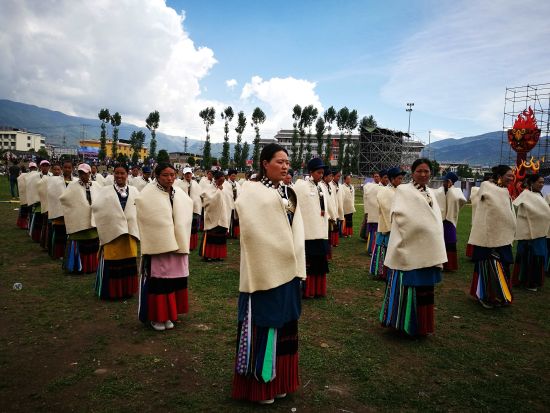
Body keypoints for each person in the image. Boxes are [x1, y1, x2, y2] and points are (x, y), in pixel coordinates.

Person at [231, 143, 306, 404]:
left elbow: (296, 231)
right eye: (279, 161)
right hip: (265, 270)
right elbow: (253, 233)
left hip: (289, 269)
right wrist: (276, 251)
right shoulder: (251, 192)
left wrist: (297, 262)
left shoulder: (288, 192)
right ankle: (261, 383)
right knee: (265, 322)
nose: (285, 166)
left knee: (285, 324)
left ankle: (281, 380)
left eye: (287, 161)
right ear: (265, 163)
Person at [380, 159, 447, 336]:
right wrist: (419, 229)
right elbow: (401, 216)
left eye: (426, 171)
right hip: (408, 246)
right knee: (409, 286)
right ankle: (404, 324)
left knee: (425, 288)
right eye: (419, 171)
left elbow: (434, 218)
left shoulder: (431, 193)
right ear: (412, 172)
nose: (423, 174)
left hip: (428, 249)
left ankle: (423, 326)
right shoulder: (403, 190)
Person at [136, 163, 193, 331]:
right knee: (160, 282)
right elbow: (147, 214)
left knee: (174, 281)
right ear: (157, 175)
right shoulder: (148, 193)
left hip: (178, 244)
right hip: (160, 246)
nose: (170, 178)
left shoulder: (178, 192)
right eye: (165, 175)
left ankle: (169, 314)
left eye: (172, 175)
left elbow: (187, 208)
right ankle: (158, 316)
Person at [468, 165, 516, 308]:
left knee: (504, 266)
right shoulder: (486, 186)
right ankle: (487, 296)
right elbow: (481, 199)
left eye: (512, 175)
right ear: (500, 176)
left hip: (503, 236)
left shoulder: (504, 190)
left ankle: (501, 296)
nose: (512, 178)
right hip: (489, 237)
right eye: (509, 175)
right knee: (488, 267)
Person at [92, 164, 140, 300]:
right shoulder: (105, 191)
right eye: (117, 173)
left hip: (129, 234)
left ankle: (127, 290)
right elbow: (97, 208)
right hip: (112, 233)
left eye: (122, 173)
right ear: (113, 174)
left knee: (128, 263)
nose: (119, 176)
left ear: (127, 174)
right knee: (113, 263)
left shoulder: (135, 191)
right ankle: (112, 292)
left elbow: (140, 208)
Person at [294, 158, 330, 298]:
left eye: (322, 172)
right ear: (310, 172)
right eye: (318, 172)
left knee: (320, 263)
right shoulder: (301, 187)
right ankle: (307, 290)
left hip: (320, 230)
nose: (321, 175)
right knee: (309, 263)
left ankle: (319, 290)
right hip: (308, 232)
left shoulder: (320, 186)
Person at [511, 174, 550, 291]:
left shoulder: (539, 196)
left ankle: (533, 281)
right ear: (531, 183)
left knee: (537, 256)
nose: (542, 184)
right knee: (526, 256)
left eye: (543, 182)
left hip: (540, 233)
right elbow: (518, 208)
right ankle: (524, 281)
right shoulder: (526, 195)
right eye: (539, 182)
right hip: (527, 234)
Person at [59, 163, 100, 274]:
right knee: (81, 244)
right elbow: (64, 198)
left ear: (90, 173)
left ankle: (92, 266)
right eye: (81, 173)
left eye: (85, 173)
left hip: (93, 221)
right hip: (79, 221)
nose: (83, 175)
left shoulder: (96, 185)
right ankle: (78, 267)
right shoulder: (73, 185)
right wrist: (77, 207)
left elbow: (101, 199)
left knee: (93, 243)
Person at [370, 167, 406, 279]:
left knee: (391, 250)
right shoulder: (385, 191)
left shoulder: (398, 191)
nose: (401, 181)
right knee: (383, 249)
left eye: (401, 178)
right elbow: (386, 210)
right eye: (399, 178)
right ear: (392, 179)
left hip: (396, 226)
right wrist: (390, 226)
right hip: (387, 227)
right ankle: (381, 272)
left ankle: (389, 271)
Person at [434, 172, 467, 271]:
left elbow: (461, 200)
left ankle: (450, 265)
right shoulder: (440, 191)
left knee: (450, 242)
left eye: (446, 181)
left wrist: (450, 190)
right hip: (440, 220)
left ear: (450, 182)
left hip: (450, 220)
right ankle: (439, 263)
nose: (443, 182)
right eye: (444, 180)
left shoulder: (456, 191)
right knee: (440, 242)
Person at [47, 160, 77, 259]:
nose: (67, 169)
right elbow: (52, 195)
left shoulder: (76, 181)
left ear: (73, 169)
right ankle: (58, 253)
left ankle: (68, 253)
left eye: (69, 167)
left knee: (69, 233)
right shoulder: (55, 181)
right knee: (60, 233)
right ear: (62, 168)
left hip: (72, 212)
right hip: (59, 212)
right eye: (65, 167)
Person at [199, 170, 232, 261]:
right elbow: (206, 199)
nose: (222, 182)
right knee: (211, 236)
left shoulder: (223, 187)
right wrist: (218, 192)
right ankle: (208, 255)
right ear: (216, 180)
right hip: (212, 215)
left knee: (220, 237)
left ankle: (218, 255)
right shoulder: (209, 188)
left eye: (223, 181)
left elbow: (227, 200)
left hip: (222, 215)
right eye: (220, 181)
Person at [175, 167, 202, 250]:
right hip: (183, 209)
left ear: (191, 174)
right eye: (186, 174)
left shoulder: (195, 184)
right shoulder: (179, 184)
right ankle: (184, 244)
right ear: (183, 175)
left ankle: (192, 245)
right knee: (184, 227)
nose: (188, 175)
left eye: (189, 174)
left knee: (193, 228)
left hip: (194, 209)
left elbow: (200, 194)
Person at [363, 171, 385, 254]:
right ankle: (371, 249)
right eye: (375, 176)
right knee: (373, 232)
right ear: (373, 177)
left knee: (374, 232)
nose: (377, 178)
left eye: (378, 176)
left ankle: (371, 249)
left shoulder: (375, 187)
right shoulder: (370, 186)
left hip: (376, 214)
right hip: (373, 213)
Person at [320, 167, 337, 259]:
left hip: (331, 215)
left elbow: (332, 201)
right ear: (325, 177)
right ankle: (324, 254)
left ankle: (327, 254)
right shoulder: (321, 186)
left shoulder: (329, 186)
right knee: (325, 236)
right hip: (325, 215)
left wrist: (334, 214)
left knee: (329, 235)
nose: (331, 178)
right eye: (330, 176)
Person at [223, 169, 241, 238]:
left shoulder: (237, 184)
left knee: (235, 219)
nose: (234, 177)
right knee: (228, 218)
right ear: (229, 176)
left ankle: (234, 234)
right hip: (228, 204)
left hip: (235, 203)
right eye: (232, 176)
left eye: (235, 176)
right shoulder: (225, 184)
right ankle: (228, 233)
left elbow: (240, 193)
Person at [329, 170, 343, 247]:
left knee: (336, 226)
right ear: (333, 176)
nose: (338, 178)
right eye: (337, 176)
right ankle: (331, 242)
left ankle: (335, 241)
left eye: (339, 176)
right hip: (332, 207)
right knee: (332, 226)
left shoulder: (339, 185)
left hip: (338, 207)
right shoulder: (330, 185)